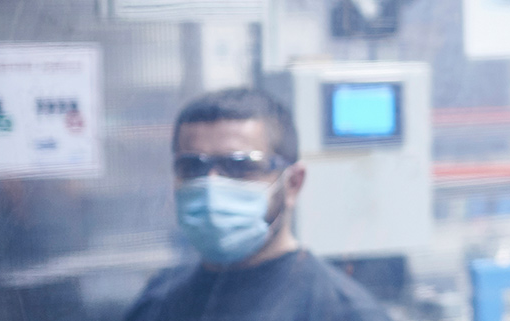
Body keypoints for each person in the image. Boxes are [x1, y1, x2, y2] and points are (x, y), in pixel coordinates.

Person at [126, 88, 392, 321]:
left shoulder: (343, 312)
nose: (211, 185)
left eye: (238, 166)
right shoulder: (158, 301)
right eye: (192, 166)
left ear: (293, 183)